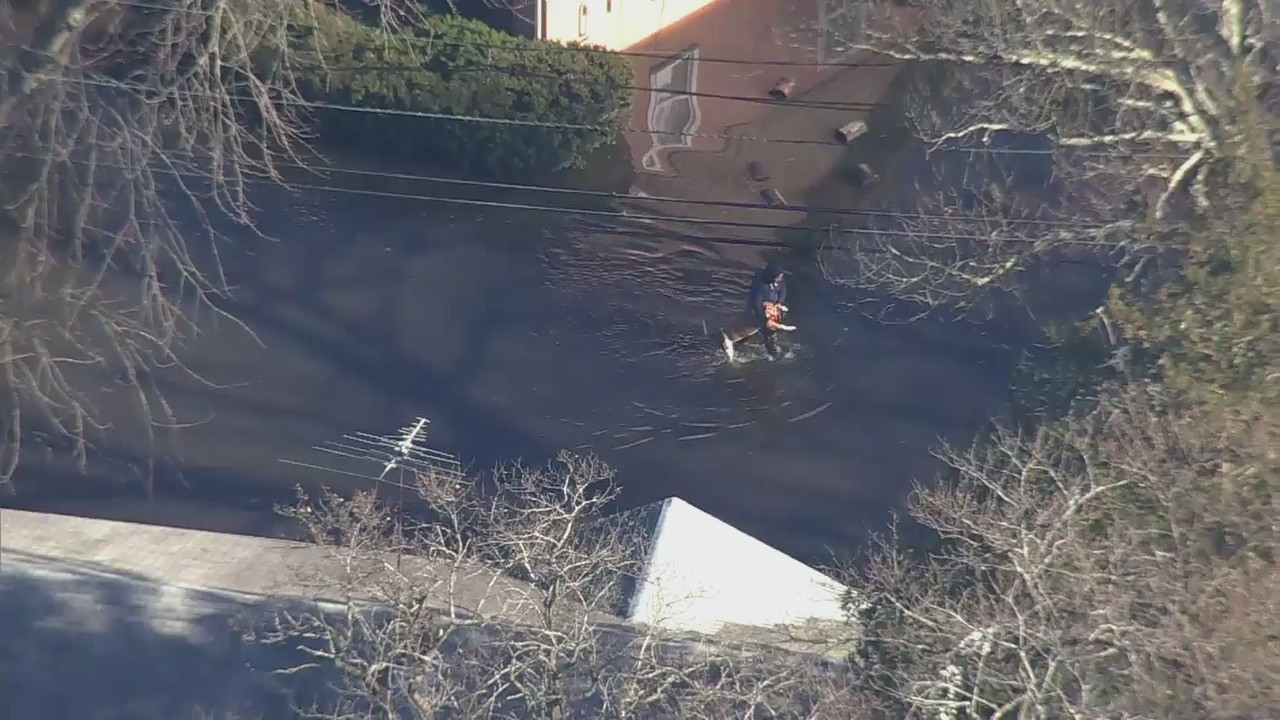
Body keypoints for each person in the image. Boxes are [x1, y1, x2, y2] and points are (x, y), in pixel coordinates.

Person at [720, 261, 795, 362]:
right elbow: (756, 303)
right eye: (778, 276)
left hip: (769, 308)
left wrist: (779, 303)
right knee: (760, 329)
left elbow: (783, 289)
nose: (780, 278)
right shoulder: (761, 285)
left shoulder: (779, 281)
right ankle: (774, 355)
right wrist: (764, 318)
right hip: (758, 310)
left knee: (759, 330)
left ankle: (742, 341)